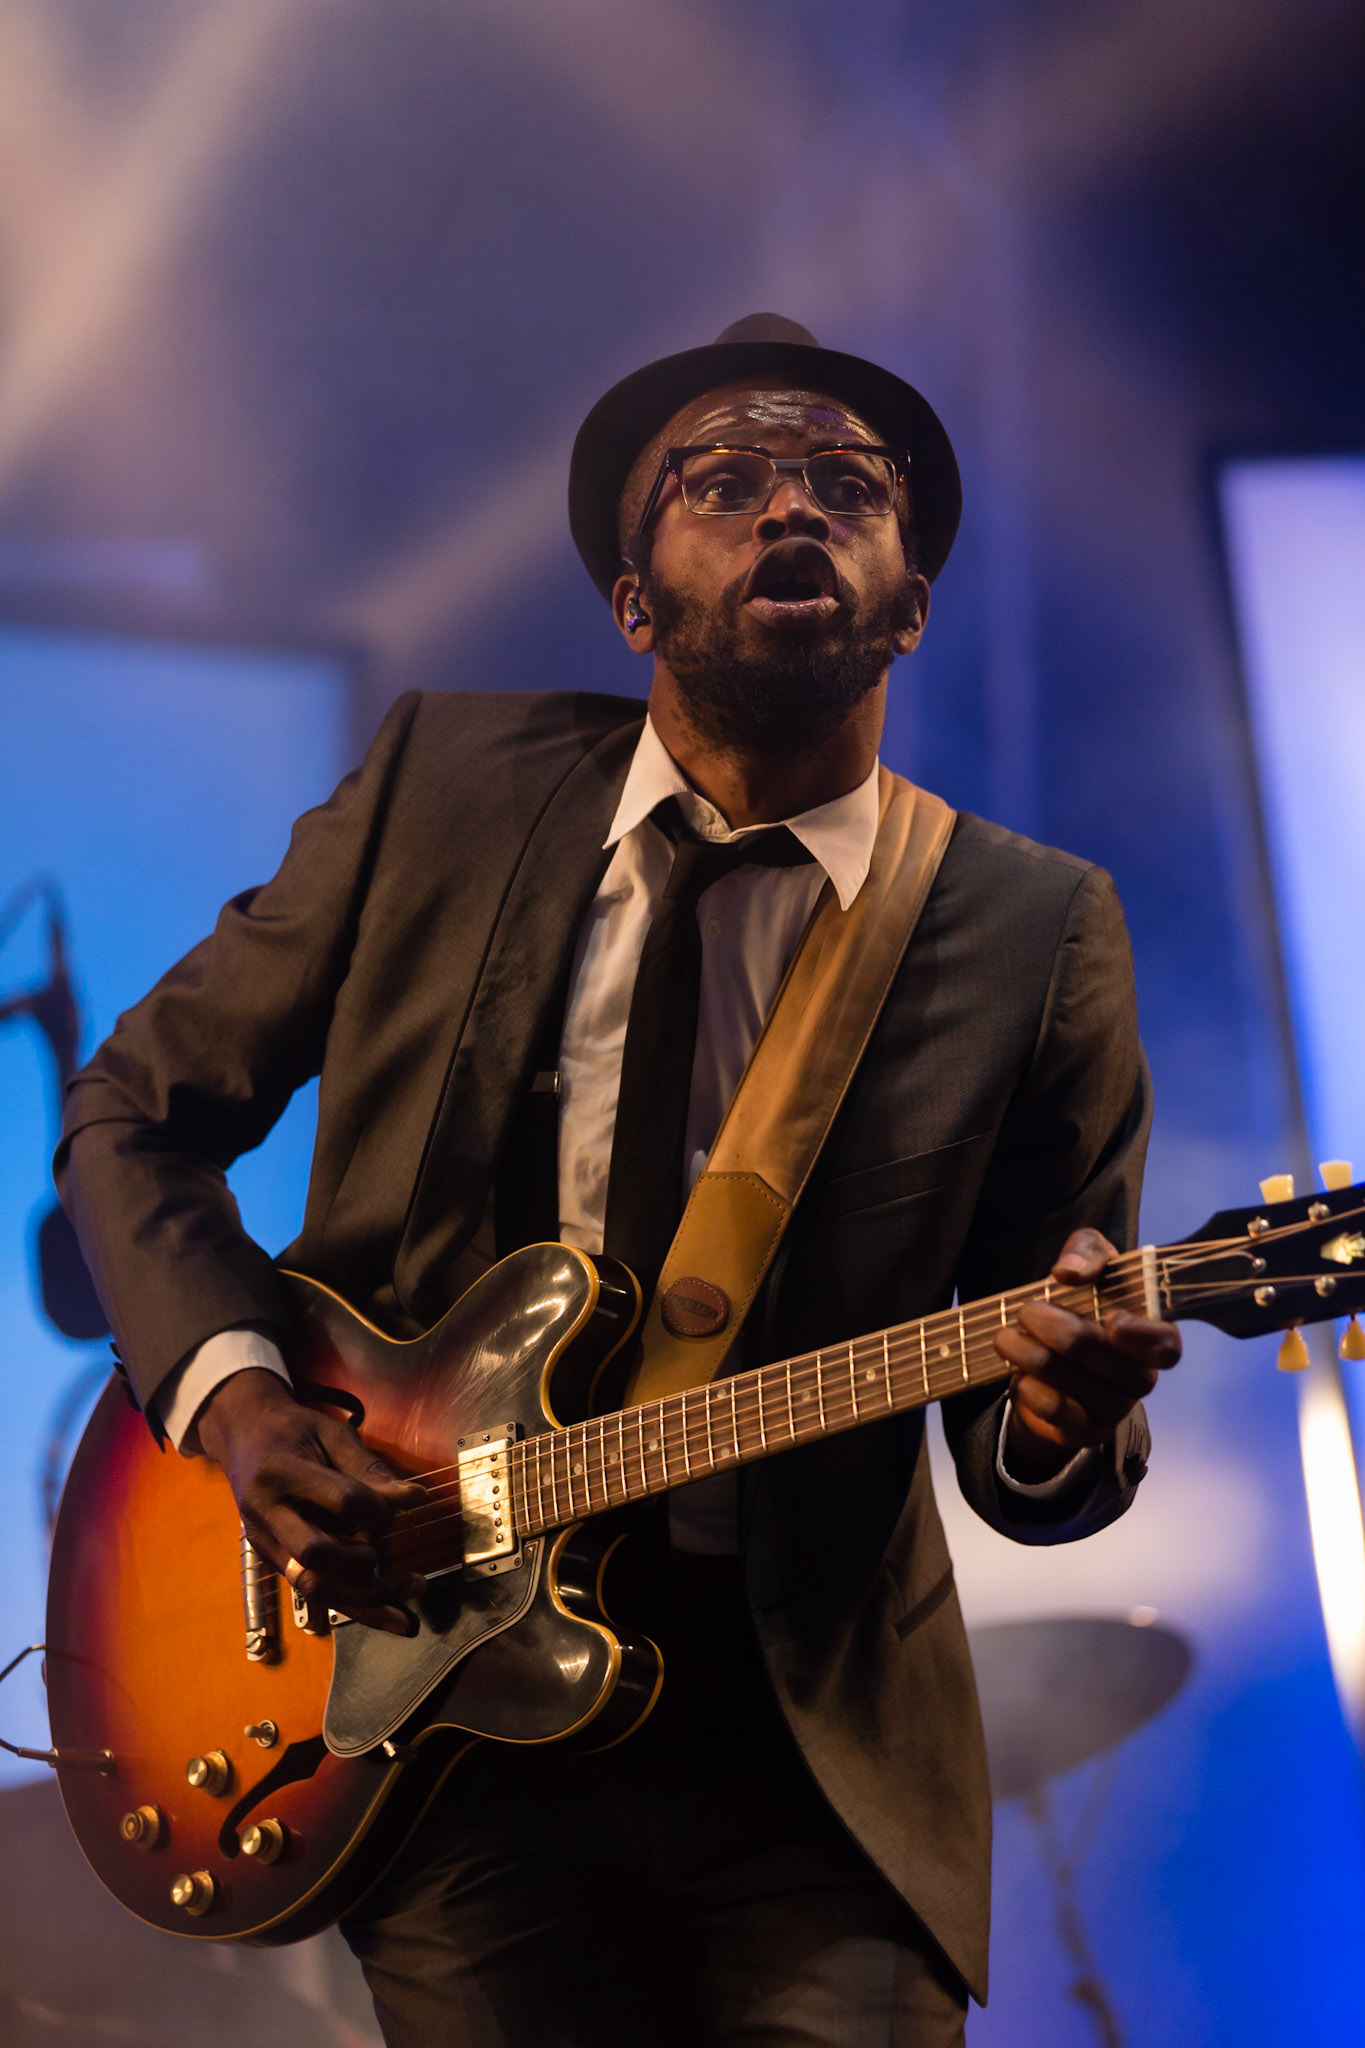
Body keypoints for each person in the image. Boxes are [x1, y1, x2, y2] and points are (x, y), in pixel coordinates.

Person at [56, 314, 1181, 2047]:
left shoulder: (1034, 931)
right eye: (721, 484)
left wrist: (1056, 1407)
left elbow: (1031, 1462)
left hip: (810, 1750)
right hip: (438, 1710)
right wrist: (243, 1410)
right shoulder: (445, 784)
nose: (788, 511)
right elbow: (133, 1109)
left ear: (912, 599)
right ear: (631, 598)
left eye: (843, 488)